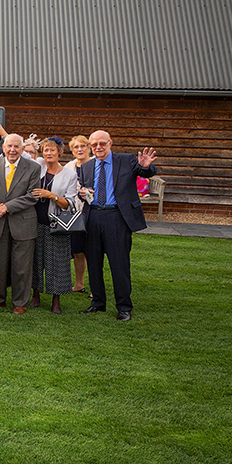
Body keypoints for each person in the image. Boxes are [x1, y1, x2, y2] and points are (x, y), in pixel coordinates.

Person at [76, 130, 157, 321]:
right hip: (93, 217)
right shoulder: (86, 166)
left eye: (102, 143)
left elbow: (145, 171)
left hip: (117, 217)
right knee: (94, 264)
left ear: (110, 143)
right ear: (90, 146)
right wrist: (84, 192)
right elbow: (86, 189)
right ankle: (98, 303)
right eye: (94, 144)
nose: (98, 147)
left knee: (119, 264)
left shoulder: (126, 159)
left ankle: (124, 307)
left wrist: (146, 167)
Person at [0, 134, 42, 314]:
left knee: (21, 266)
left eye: (16, 147)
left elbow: (32, 195)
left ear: (22, 149)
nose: (12, 150)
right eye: (9, 146)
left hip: (23, 224)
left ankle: (20, 302)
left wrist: (7, 207)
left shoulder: (33, 167)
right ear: (3, 147)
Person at [31, 137, 78, 314]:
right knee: (36, 260)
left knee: (57, 263)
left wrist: (51, 195)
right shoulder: (38, 167)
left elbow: (70, 204)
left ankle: (56, 299)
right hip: (35, 222)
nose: (49, 153)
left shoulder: (69, 175)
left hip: (56, 224)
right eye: (45, 150)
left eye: (52, 150)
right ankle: (35, 294)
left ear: (59, 152)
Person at [65, 135, 93, 293]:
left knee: (93, 251)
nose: (80, 149)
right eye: (76, 147)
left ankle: (95, 288)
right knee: (77, 250)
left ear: (88, 147)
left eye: (83, 146)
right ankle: (79, 284)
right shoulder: (69, 166)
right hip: (75, 214)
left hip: (94, 213)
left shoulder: (96, 164)